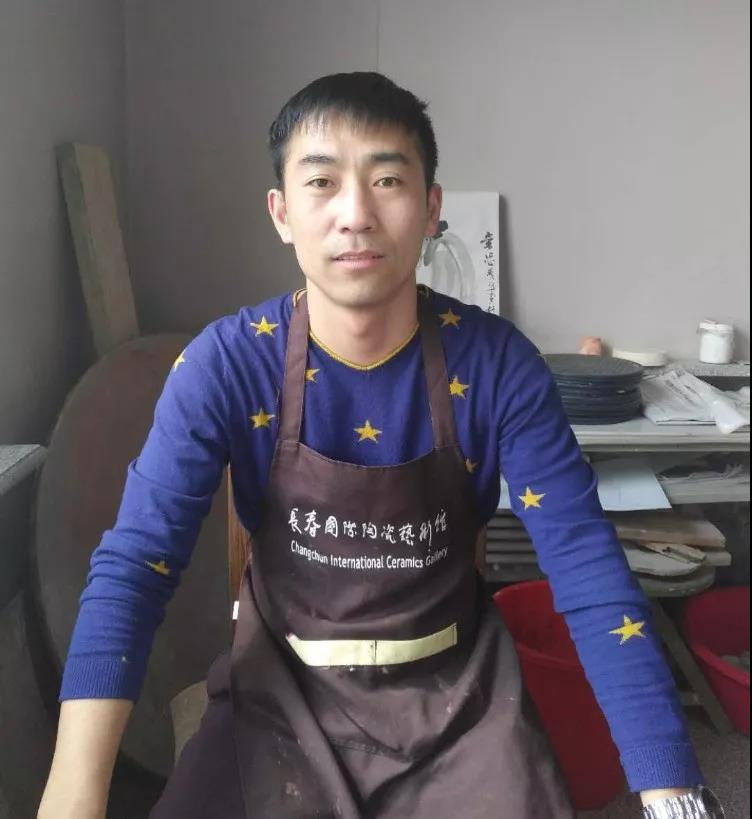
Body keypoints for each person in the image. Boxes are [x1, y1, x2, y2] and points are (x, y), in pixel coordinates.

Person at [39, 72, 724, 819]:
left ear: (431, 209)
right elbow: (134, 567)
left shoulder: (498, 366)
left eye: (387, 180)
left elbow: (588, 569)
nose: (356, 215)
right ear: (282, 213)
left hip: (459, 707)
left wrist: (673, 793)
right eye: (322, 182)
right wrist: (72, 796)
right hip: (278, 698)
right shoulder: (227, 364)